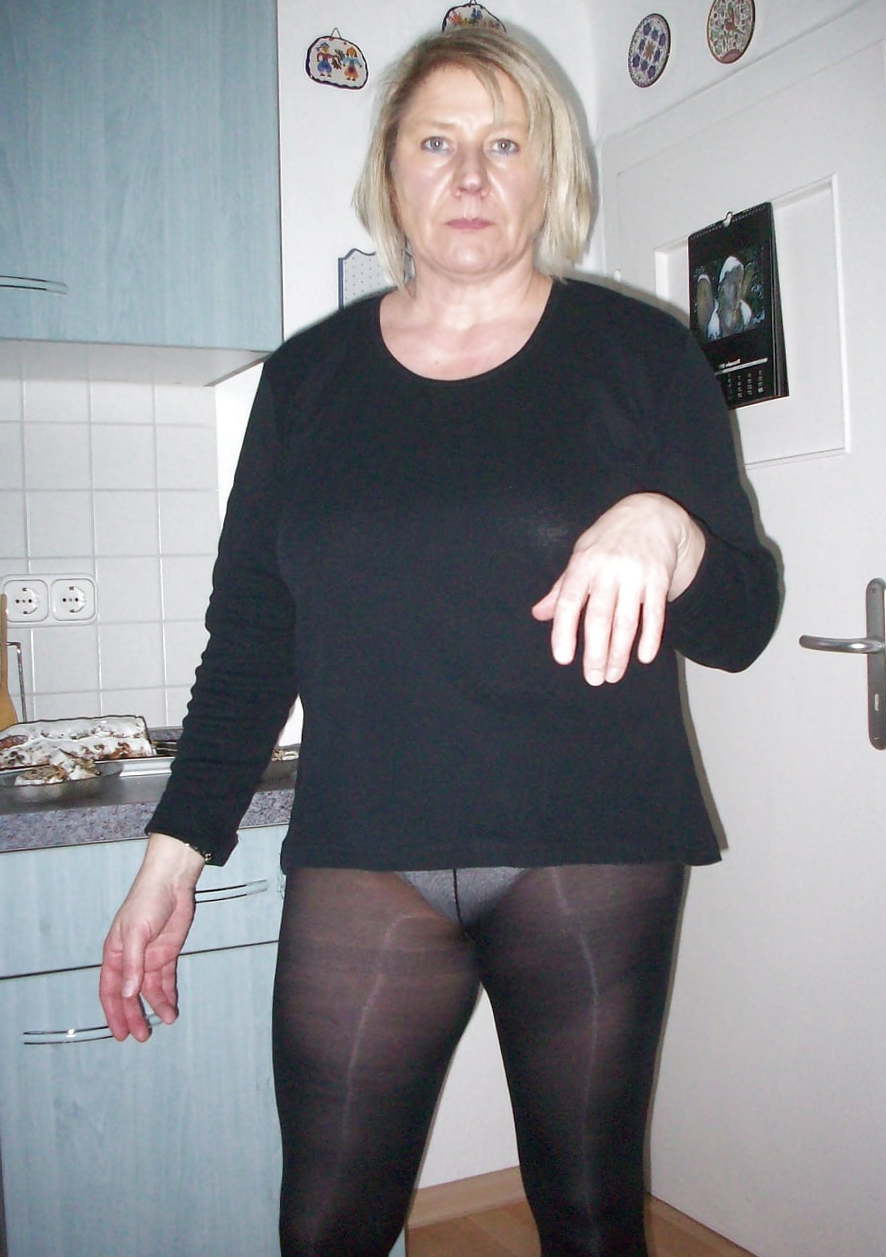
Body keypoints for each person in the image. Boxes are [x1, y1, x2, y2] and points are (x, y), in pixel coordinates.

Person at [100, 25, 779, 1257]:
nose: (469, 175)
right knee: (326, 1226)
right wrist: (173, 853)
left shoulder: (639, 355)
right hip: (369, 847)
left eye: (504, 144)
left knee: (588, 1216)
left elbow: (740, 623)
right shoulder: (304, 384)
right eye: (436, 143)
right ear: (390, 170)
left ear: (547, 171)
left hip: (591, 843)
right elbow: (250, 641)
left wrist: (671, 528)